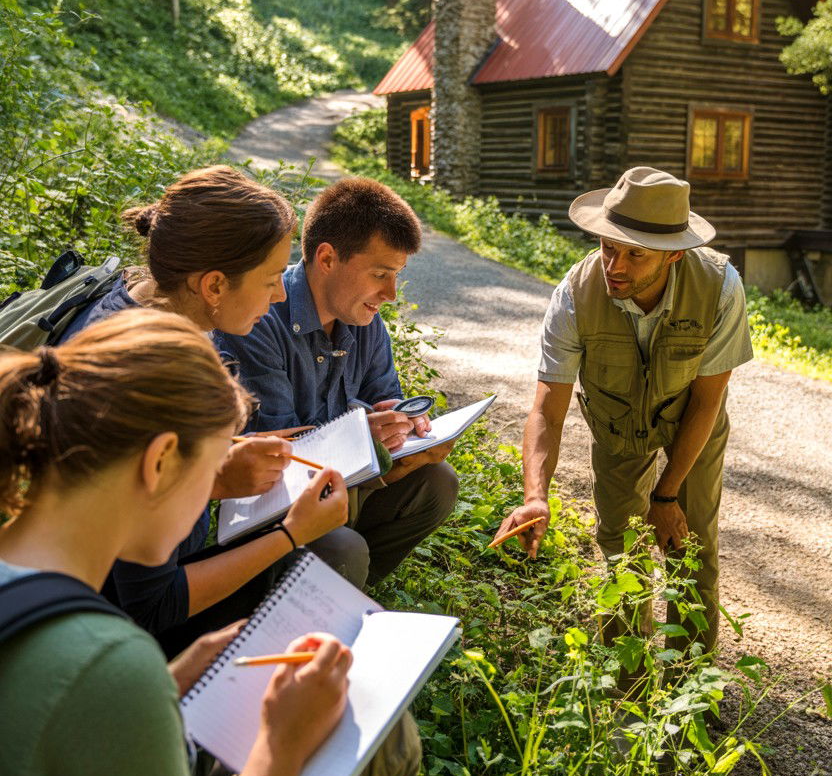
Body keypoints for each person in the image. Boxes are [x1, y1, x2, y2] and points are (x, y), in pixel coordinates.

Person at [0, 311, 420, 776]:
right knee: (382, 743)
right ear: (161, 460)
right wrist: (278, 748)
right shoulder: (104, 665)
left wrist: (172, 677)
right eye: (213, 474)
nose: (215, 498)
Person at [61, 165, 346, 653]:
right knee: (334, 551)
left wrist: (214, 470)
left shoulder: (145, 301)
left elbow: (132, 483)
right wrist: (291, 534)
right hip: (111, 636)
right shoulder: (155, 378)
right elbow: (146, 607)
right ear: (213, 285)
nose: (281, 295)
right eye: (273, 278)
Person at [496, 166, 753, 658]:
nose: (615, 265)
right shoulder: (574, 295)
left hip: (692, 424)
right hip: (617, 427)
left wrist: (668, 493)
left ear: (676, 253)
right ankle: (628, 694)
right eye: (608, 246)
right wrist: (534, 496)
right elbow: (546, 411)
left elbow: (707, 399)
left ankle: (689, 692)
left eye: (636, 254)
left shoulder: (721, 287)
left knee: (691, 546)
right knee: (620, 549)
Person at [216, 177, 460, 589]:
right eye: (381, 273)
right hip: (277, 506)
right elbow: (280, 457)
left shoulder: (364, 321)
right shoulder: (257, 319)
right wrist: (361, 439)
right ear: (327, 258)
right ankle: (312, 584)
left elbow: (388, 402)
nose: (391, 293)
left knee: (438, 482)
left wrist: (409, 436)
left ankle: (344, 586)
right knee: (343, 548)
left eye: (397, 275)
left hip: (342, 490)